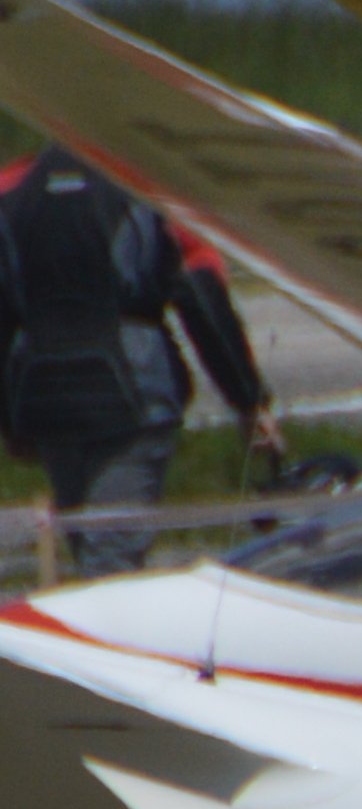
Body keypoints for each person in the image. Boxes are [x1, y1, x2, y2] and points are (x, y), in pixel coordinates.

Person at [0, 137, 283, 576]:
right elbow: (200, 294)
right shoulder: (153, 185)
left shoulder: (10, 188)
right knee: (111, 563)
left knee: (91, 554)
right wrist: (249, 401)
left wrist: (9, 419)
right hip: (134, 395)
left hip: (44, 398)